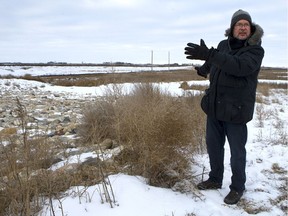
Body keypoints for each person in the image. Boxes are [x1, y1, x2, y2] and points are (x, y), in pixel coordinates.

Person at [184, 9, 264, 205]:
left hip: (236, 111)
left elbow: (238, 66)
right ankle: (215, 178)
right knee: (213, 146)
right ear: (232, 28)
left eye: (246, 25)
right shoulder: (223, 45)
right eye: (239, 24)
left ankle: (237, 187)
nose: (243, 28)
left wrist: (211, 54)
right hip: (214, 107)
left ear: (251, 29)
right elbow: (216, 62)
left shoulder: (254, 51)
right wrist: (203, 70)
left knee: (237, 151)